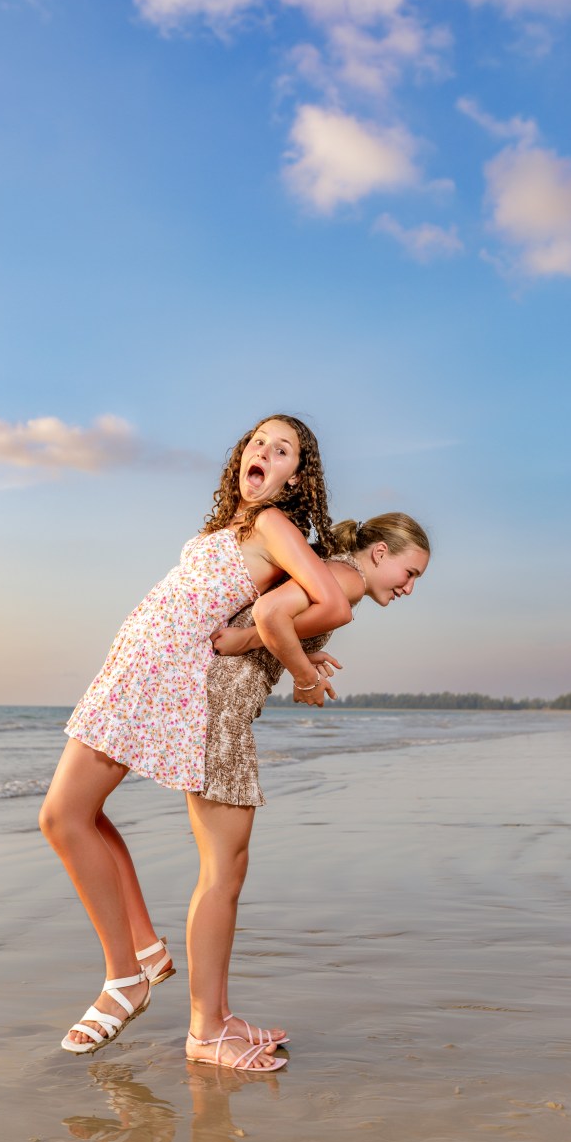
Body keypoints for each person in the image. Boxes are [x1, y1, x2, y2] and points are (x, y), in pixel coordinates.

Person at [39, 415, 351, 1060]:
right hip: (133, 666)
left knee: (62, 818)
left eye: (284, 449)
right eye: (259, 441)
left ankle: (124, 978)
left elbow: (331, 601)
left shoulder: (272, 525)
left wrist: (279, 659)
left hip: (165, 675)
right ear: (242, 455)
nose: (265, 451)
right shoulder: (228, 527)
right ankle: (146, 950)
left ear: (297, 476)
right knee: (79, 816)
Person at [184, 513, 431, 1070]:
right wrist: (301, 675)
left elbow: (270, 625)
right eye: (408, 572)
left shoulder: (338, 579)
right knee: (222, 874)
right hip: (220, 713)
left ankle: (216, 1019)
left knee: (225, 871)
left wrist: (286, 652)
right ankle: (204, 1032)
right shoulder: (342, 581)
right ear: (377, 553)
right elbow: (268, 617)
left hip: (223, 710)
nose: (409, 587)